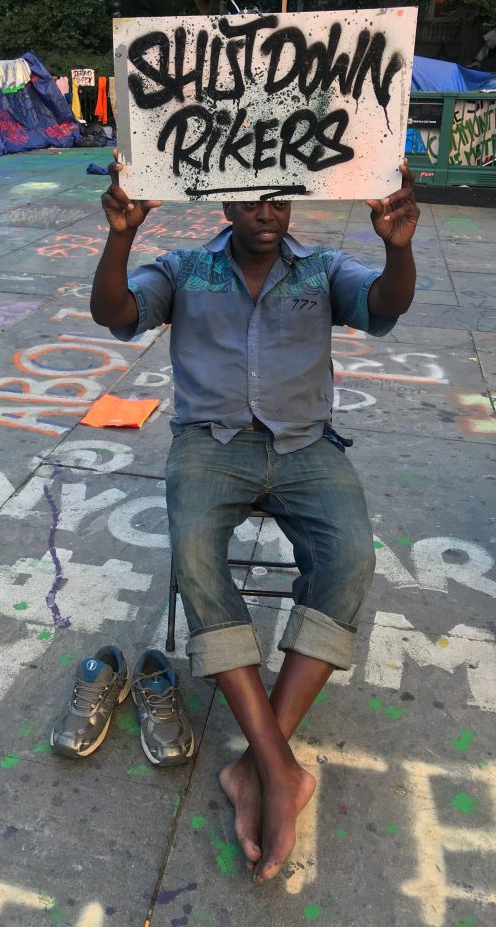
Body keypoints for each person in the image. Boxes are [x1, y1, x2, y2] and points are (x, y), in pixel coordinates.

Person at [90, 158, 419, 883]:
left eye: (279, 200)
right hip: (209, 447)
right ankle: (275, 765)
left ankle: (259, 762)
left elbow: (386, 307)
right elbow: (114, 315)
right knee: (197, 558)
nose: (267, 212)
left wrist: (399, 247)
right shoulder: (183, 268)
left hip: (307, 450)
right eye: (250, 200)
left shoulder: (322, 269)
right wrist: (119, 238)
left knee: (352, 559)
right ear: (224, 204)